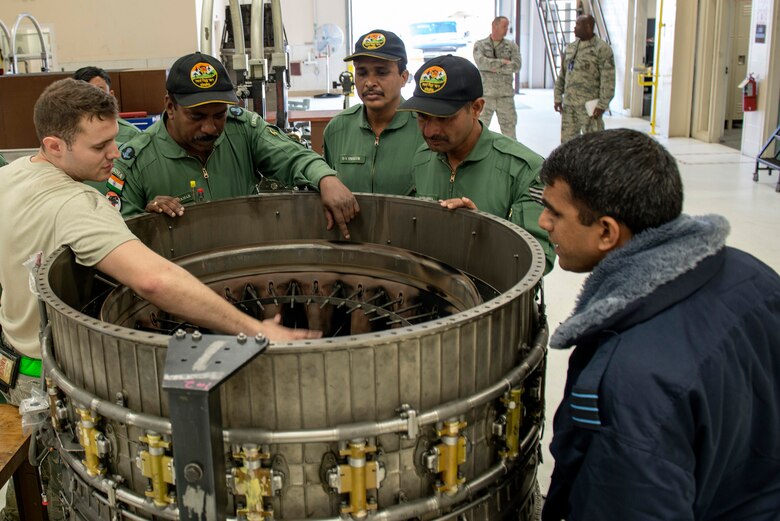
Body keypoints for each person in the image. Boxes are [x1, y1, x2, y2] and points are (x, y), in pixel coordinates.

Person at [538, 129, 780, 520]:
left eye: (555, 212)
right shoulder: (752, 274)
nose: (543, 221)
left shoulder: (628, 377)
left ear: (606, 232)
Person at [115, 52, 358, 239]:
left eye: (219, 115)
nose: (210, 128)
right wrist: (146, 222)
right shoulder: (137, 161)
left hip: (247, 275)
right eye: (197, 117)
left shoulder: (242, 129)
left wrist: (326, 178)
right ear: (170, 107)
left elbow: (293, 156)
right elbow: (120, 240)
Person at [398, 55, 555, 274]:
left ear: (476, 108)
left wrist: (484, 234)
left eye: (443, 118)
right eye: (422, 117)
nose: (430, 131)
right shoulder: (424, 158)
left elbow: (539, 261)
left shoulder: (525, 170)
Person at [322, 29, 423, 195]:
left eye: (381, 72)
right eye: (362, 73)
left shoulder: (425, 129)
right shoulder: (337, 129)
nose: (369, 82)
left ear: (403, 77)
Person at [73, 66, 142, 197]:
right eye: (85, 94)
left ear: (111, 95)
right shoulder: (66, 136)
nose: (92, 100)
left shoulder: (132, 136)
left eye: (99, 92)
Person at [553, 15, 615, 143]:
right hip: (569, 107)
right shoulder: (571, 48)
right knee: (567, 144)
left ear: (588, 27)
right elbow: (562, 76)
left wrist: (603, 104)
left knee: (594, 145)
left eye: (578, 25)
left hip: (590, 108)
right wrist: (558, 97)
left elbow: (608, 80)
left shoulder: (602, 49)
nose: (574, 28)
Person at [473, 16, 521, 139]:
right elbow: (481, 63)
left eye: (507, 27)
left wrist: (492, 65)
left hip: (505, 96)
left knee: (509, 132)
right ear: (494, 26)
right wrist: (503, 62)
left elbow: (516, 66)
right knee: (478, 130)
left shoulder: (511, 46)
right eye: (504, 26)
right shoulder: (480, 45)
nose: (506, 29)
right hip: (486, 96)